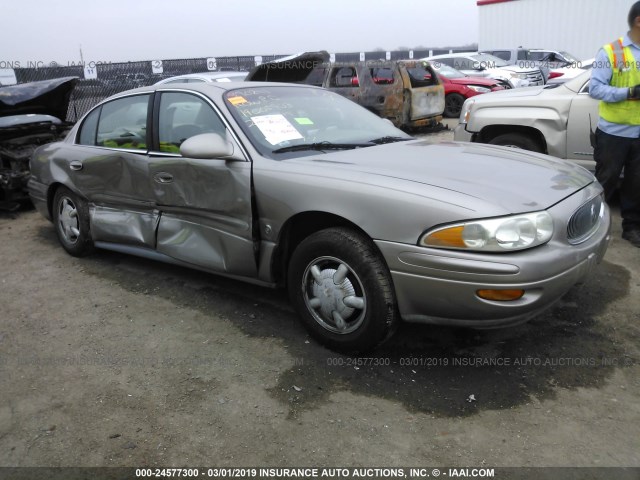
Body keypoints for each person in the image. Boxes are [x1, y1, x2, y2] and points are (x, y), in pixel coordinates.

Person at [590, 1, 640, 247]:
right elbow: (595, 89)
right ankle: (591, 227)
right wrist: (629, 92)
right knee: (606, 181)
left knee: (636, 183)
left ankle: (631, 228)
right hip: (614, 133)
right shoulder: (612, 51)